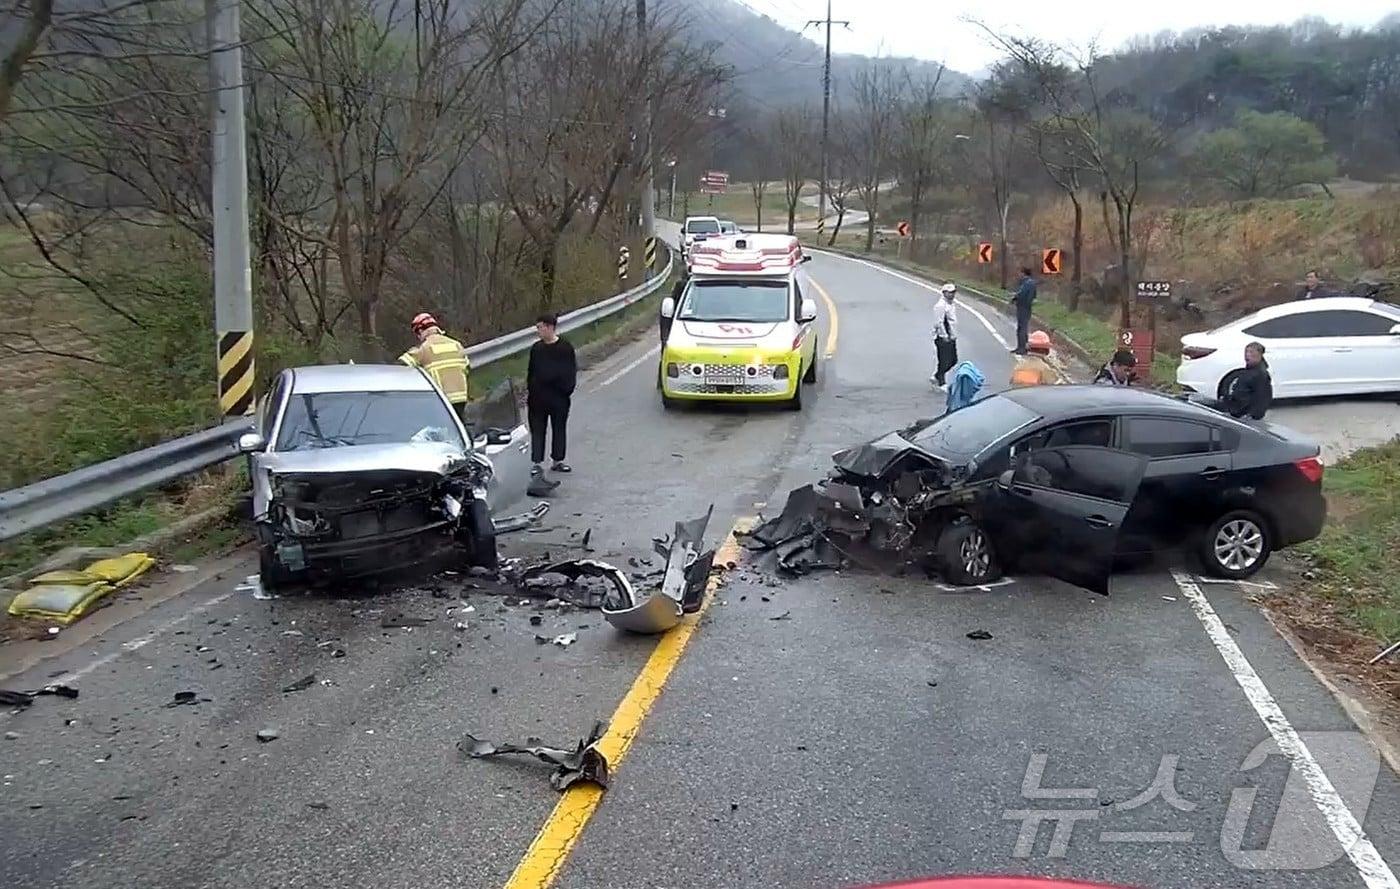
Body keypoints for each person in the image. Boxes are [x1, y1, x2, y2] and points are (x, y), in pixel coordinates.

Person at [526, 312, 578, 477]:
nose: (538, 331)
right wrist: (531, 390)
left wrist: (565, 391)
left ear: (550, 327)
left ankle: (558, 460)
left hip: (558, 397)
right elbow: (531, 372)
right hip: (538, 398)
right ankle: (537, 462)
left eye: (540, 327)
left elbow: (570, 372)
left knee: (559, 428)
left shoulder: (565, 348)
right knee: (538, 430)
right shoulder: (536, 349)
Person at [399, 312, 470, 421]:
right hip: (461, 397)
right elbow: (467, 367)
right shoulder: (456, 344)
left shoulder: (424, 348)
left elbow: (402, 365)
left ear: (421, 331)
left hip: (442, 400)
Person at [1221, 341, 1272, 420]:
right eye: (1246, 352)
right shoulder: (1248, 371)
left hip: (1245, 416)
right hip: (1235, 411)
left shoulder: (1261, 374)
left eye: (1251, 352)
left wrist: (1252, 415)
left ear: (1260, 355)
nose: (1247, 355)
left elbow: (1262, 398)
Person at [928, 283, 959, 388]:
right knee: (944, 360)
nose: (952, 295)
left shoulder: (951, 304)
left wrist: (953, 335)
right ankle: (941, 381)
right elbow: (939, 322)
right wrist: (944, 335)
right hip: (942, 337)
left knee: (953, 360)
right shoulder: (940, 306)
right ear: (944, 293)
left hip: (951, 336)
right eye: (949, 293)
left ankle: (937, 375)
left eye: (953, 292)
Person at [1009, 267, 1037, 354]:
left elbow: (1021, 294)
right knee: (1022, 328)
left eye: (1020, 273)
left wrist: (1014, 298)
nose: (1019, 275)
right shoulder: (1030, 283)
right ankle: (1022, 347)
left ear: (1023, 273)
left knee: (1022, 328)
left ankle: (1022, 348)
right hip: (1026, 307)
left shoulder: (1027, 283)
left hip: (1023, 307)